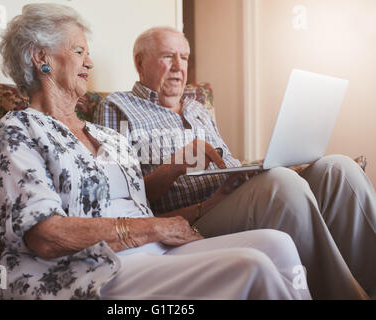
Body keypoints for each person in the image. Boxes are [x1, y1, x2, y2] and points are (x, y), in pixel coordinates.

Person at [0, 4, 312, 300]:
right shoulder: (18, 130)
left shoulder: (107, 137)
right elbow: (44, 235)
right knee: (250, 264)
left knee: (277, 244)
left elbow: (146, 215)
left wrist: (211, 203)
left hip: (150, 251)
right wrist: (154, 229)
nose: (90, 62)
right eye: (79, 50)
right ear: (41, 57)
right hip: (87, 268)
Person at [94, 26, 376, 300]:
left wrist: (268, 166)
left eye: (184, 57)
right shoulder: (117, 107)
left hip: (235, 195)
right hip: (192, 217)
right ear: (139, 62)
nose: (179, 66)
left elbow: (225, 162)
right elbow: (117, 197)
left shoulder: (197, 106)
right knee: (280, 184)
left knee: (337, 169)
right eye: (168, 56)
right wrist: (173, 167)